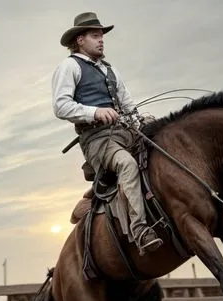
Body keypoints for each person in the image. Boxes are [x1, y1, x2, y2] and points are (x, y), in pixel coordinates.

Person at [52, 12, 163, 254]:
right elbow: (60, 106)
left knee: (164, 145)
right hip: (97, 140)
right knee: (128, 165)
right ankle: (140, 230)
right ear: (80, 40)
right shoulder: (70, 66)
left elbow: (128, 104)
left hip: (125, 131)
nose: (101, 40)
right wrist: (95, 112)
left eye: (102, 36)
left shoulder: (111, 70)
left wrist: (141, 118)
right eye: (95, 36)